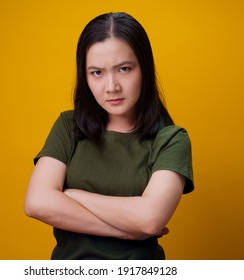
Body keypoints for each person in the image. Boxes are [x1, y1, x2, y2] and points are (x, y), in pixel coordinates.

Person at [24, 12, 194, 260]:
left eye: (124, 69)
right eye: (97, 73)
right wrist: (127, 231)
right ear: (85, 76)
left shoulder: (170, 140)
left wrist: (72, 195)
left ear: (144, 69)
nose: (112, 86)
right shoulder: (68, 127)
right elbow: (37, 202)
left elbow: (149, 219)